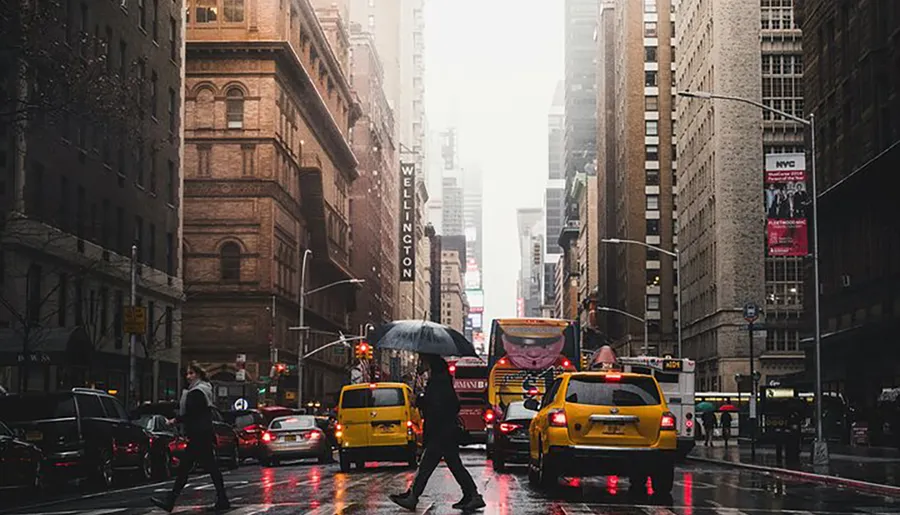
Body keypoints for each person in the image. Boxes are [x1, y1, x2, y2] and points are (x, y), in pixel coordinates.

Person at [389, 354, 485, 512]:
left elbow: (438, 406)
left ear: (431, 363)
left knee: (428, 466)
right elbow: (450, 405)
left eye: (423, 360)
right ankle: (472, 495)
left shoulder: (438, 382)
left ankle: (413, 497)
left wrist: (419, 400)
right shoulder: (441, 380)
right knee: (451, 465)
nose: (421, 364)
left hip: (440, 433)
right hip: (444, 432)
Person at [151, 363, 229, 512]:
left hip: (199, 435)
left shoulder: (196, 392)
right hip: (204, 434)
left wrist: (175, 420)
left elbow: (192, 413)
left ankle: (170, 500)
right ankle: (222, 499)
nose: (188, 377)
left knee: (186, 468)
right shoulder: (205, 390)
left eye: (191, 373)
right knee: (208, 468)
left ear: (198, 375)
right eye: (187, 374)